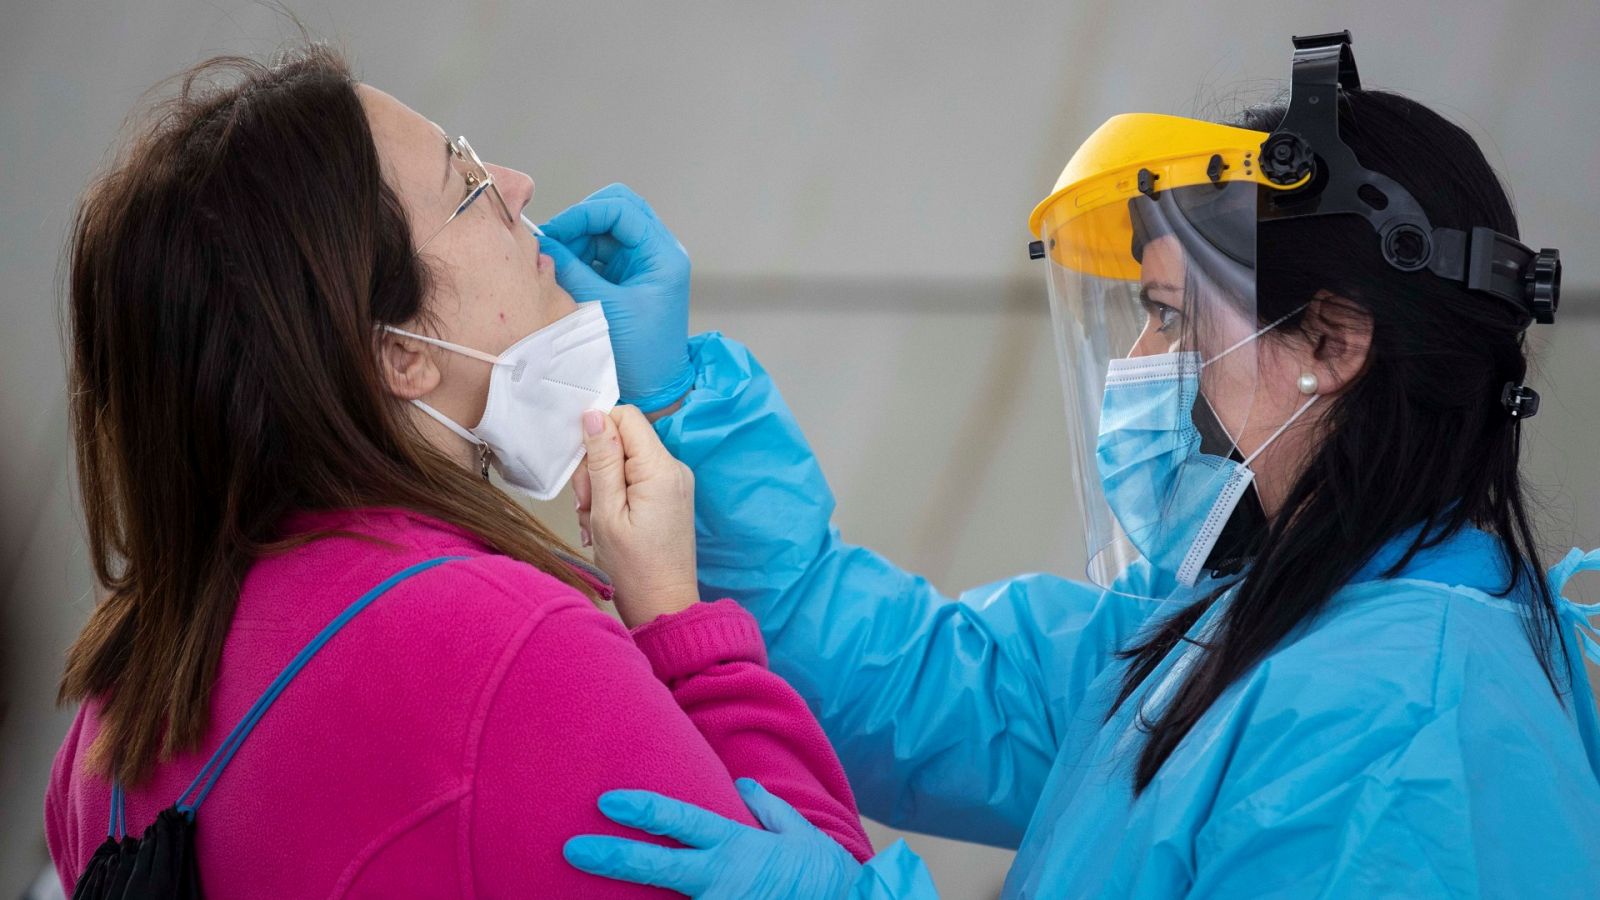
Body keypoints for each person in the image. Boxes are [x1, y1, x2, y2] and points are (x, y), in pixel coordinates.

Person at [547, 33, 1600, 898]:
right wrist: (683, 396)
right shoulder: (1239, 626)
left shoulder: (1406, 731)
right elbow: (910, 682)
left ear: (1331, 344)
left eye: (1165, 316)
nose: (1139, 368)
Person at [45, 44, 873, 897]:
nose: (517, 185)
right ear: (401, 354)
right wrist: (681, 630)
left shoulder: (105, 726)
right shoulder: (512, 646)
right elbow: (825, 874)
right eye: (470, 184)